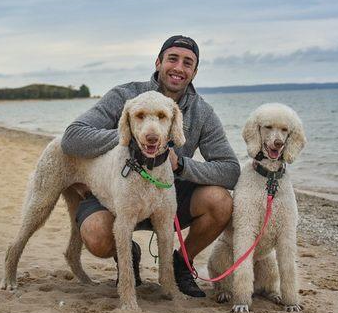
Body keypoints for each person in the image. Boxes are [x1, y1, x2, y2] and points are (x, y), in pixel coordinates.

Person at [61, 35, 240, 297]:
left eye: (187, 63)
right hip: (115, 189)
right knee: (98, 237)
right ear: (158, 62)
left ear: (195, 71)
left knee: (221, 201)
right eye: (172, 59)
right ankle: (128, 254)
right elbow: (72, 138)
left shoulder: (202, 113)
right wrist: (128, 135)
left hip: (168, 195)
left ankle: (181, 263)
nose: (179, 68)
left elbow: (230, 170)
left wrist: (182, 166)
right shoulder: (125, 95)